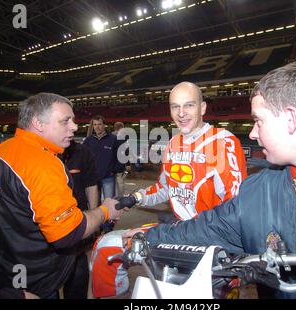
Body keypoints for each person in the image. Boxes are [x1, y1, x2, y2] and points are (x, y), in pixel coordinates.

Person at [126, 61, 296, 299]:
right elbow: (210, 225)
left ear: (290, 119)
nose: (252, 134)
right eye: (175, 106)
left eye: (258, 121)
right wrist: (147, 235)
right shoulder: (259, 190)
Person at [90, 81, 248, 298]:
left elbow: (236, 210)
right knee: (106, 247)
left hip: (211, 238)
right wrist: (134, 198)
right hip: (175, 229)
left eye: (189, 105)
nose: (181, 113)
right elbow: (165, 188)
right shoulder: (173, 143)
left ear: (202, 108)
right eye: (175, 106)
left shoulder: (223, 142)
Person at [0, 92, 124, 299]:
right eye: (65, 121)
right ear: (38, 123)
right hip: (29, 279)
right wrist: (105, 210)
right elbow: (68, 233)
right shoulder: (43, 165)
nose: (74, 126)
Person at [59, 139, 99, 299]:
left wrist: (95, 217)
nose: (73, 127)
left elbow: (91, 185)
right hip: (46, 228)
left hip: (77, 225)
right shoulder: (40, 153)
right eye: (65, 122)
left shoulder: (83, 152)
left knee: (77, 276)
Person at [112, 122, 131, 197]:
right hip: (120, 162)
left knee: (110, 182)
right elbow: (126, 152)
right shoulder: (123, 137)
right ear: (121, 128)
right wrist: (128, 163)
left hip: (110, 163)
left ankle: (111, 197)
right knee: (120, 181)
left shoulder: (109, 136)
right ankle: (120, 197)